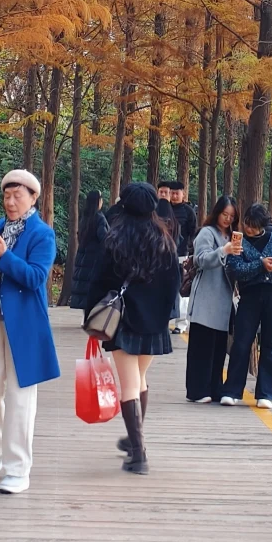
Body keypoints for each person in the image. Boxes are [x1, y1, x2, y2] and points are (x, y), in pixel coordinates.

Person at [0, 169, 60, 495]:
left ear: (33, 198)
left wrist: (4, 256)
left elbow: (36, 277)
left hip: (25, 325)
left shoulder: (42, 235)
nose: (10, 202)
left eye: (17, 196)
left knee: (21, 398)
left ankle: (18, 468)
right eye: (7, 196)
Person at [85, 181, 180, 474]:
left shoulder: (114, 240)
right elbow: (173, 284)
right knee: (139, 379)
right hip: (154, 324)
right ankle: (133, 438)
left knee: (128, 384)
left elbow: (98, 282)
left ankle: (139, 455)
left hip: (123, 321)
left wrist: (90, 318)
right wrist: (164, 317)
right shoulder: (165, 241)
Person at [220, 202, 272, 409]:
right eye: (247, 224)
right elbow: (235, 269)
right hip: (250, 296)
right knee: (241, 342)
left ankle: (266, 393)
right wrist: (261, 265)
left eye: (254, 226)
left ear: (263, 225)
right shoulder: (239, 241)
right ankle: (231, 390)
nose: (249, 229)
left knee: (271, 343)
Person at [184, 195, 238, 403]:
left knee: (218, 348)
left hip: (224, 298)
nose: (227, 219)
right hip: (206, 295)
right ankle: (197, 390)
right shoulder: (207, 232)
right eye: (225, 214)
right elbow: (201, 259)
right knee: (201, 346)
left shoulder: (232, 236)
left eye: (231, 216)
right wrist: (223, 251)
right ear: (217, 212)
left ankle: (215, 387)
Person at [69, 190, 108, 312]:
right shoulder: (99, 218)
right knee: (93, 293)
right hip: (94, 260)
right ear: (98, 201)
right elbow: (104, 238)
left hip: (83, 259)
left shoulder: (84, 218)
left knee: (84, 293)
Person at [166, 180, 197, 333]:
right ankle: (163, 321)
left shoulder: (188, 212)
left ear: (183, 194)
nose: (174, 196)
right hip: (164, 256)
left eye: (177, 193)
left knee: (182, 290)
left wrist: (190, 253)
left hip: (182, 255)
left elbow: (193, 233)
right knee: (165, 289)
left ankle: (181, 324)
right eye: (172, 193)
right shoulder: (164, 209)